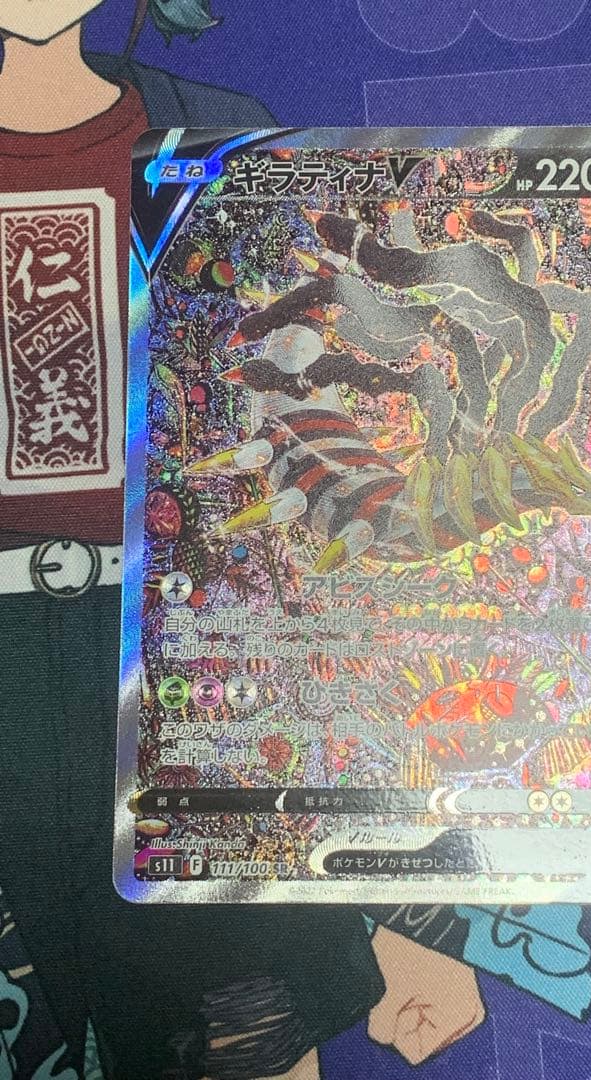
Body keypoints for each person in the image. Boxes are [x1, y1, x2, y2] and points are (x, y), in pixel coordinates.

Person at [0, 4, 387, 1078]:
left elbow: (307, 376)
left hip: (193, 619)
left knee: (245, 1010)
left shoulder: (221, 131)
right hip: (12, 649)